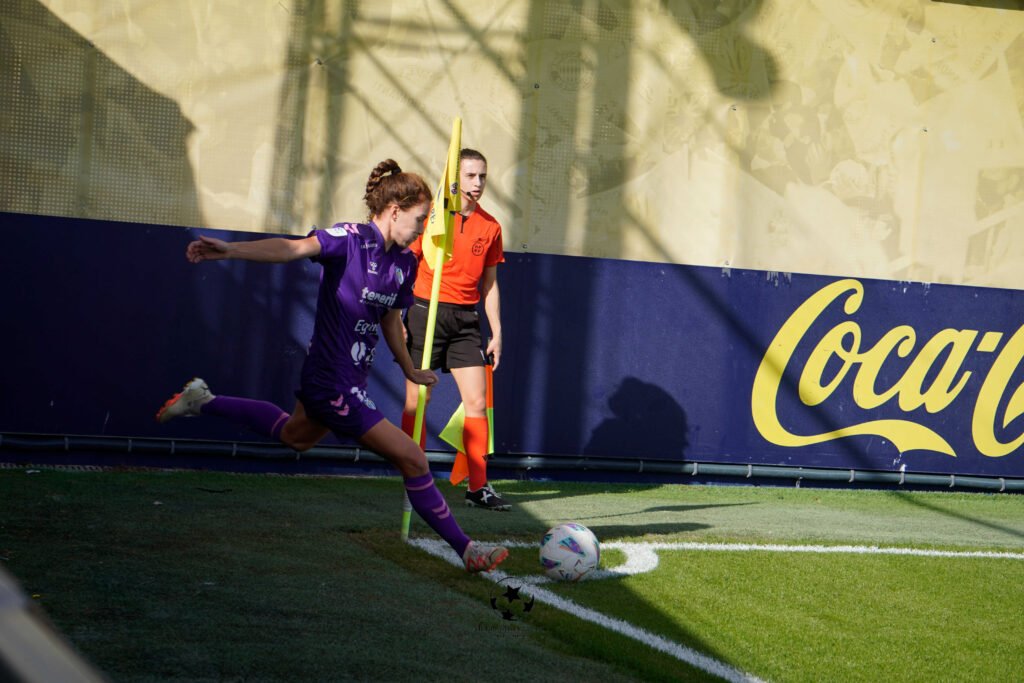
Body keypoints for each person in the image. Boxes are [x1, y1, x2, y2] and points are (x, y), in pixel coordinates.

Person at [155, 159, 509, 574]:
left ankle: (202, 400)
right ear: (394, 211)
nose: (422, 229)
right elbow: (292, 249)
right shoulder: (349, 240)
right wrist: (232, 250)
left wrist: (409, 369)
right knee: (414, 459)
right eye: (419, 219)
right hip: (331, 380)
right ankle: (467, 550)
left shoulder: (405, 263)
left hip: (352, 379)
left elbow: (391, 320)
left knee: (295, 435)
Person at [401, 149, 509, 511]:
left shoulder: (490, 226)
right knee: (418, 400)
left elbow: (489, 284)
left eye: (483, 176)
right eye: (470, 176)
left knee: (477, 402)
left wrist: (497, 331)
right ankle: (413, 476)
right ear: (454, 177)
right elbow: (406, 263)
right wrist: (398, 315)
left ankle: (478, 488)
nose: (478, 183)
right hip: (424, 312)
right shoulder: (431, 217)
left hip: (465, 320)